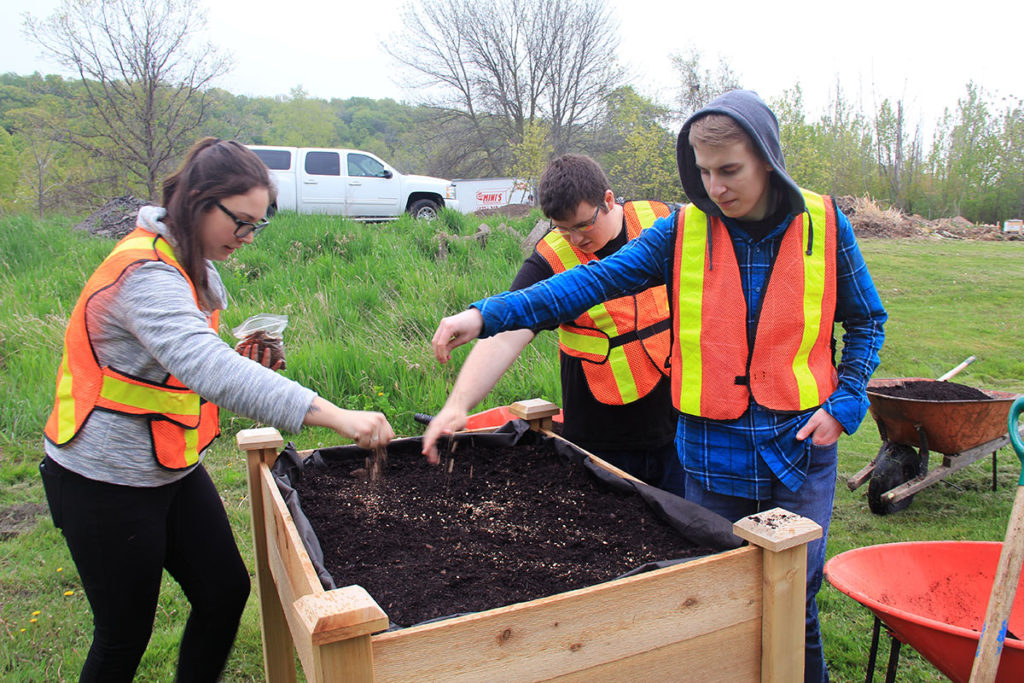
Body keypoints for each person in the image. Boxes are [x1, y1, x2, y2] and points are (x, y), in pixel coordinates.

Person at [430, 90, 887, 682]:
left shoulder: (825, 225)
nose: (716, 187)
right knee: (711, 600)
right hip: (707, 457)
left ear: (768, 159)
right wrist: (486, 315)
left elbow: (868, 319)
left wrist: (846, 401)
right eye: (703, 171)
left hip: (798, 450)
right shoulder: (683, 231)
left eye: (730, 170)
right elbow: (590, 283)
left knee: (792, 601)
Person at [39, 137, 395, 683]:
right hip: (104, 479)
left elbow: (181, 366)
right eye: (242, 222)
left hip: (172, 467)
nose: (249, 238)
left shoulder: (192, 264)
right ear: (201, 200)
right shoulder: (146, 275)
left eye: (259, 226)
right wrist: (335, 415)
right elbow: (209, 371)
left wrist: (240, 359)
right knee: (123, 635)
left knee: (225, 592)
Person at [422, 154, 681, 493]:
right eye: (563, 228)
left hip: (678, 431)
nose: (575, 239)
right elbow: (507, 334)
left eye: (583, 225)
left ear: (607, 200)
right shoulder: (551, 257)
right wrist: (458, 405)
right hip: (600, 442)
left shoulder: (660, 221)